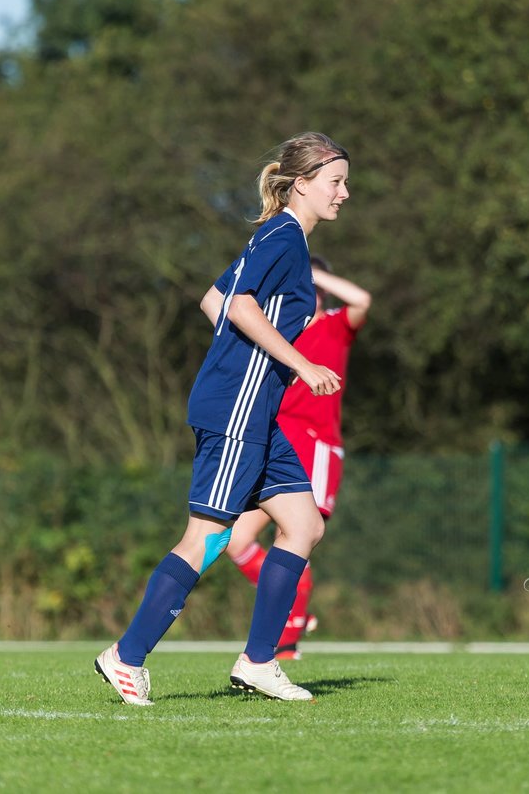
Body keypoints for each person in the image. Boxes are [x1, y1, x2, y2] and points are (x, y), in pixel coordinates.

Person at [95, 132, 350, 704]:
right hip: (237, 408)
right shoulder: (283, 235)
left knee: (304, 524)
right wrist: (298, 364)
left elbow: (215, 299)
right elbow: (237, 307)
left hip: (254, 409)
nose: (344, 192)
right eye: (335, 182)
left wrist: (249, 359)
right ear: (302, 185)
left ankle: (259, 662)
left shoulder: (284, 240)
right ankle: (125, 656)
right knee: (206, 538)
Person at [225, 257, 370, 659]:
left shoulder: (335, 326)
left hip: (316, 446)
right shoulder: (281, 334)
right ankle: (291, 607)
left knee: (294, 537)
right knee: (235, 539)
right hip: (276, 445)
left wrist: (312, 272)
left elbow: (362, 299)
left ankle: (285, 643)